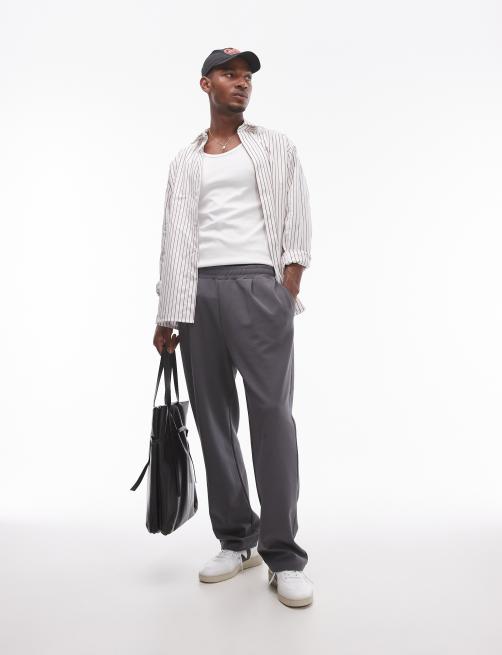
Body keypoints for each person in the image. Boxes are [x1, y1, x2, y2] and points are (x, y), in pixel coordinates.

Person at [152, 47, 313, 608]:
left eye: (246, 77)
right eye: (229, 75)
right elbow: (174, 235)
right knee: (213, 421)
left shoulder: (274, 146)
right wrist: (167, 311)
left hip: (258, 289)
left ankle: (283, 554)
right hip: (197, 295)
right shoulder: (184, 160)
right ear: (206, 85)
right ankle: (237, 539)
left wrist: (286, 286)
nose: (241, 83)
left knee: (273, 418)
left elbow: (298, 215)